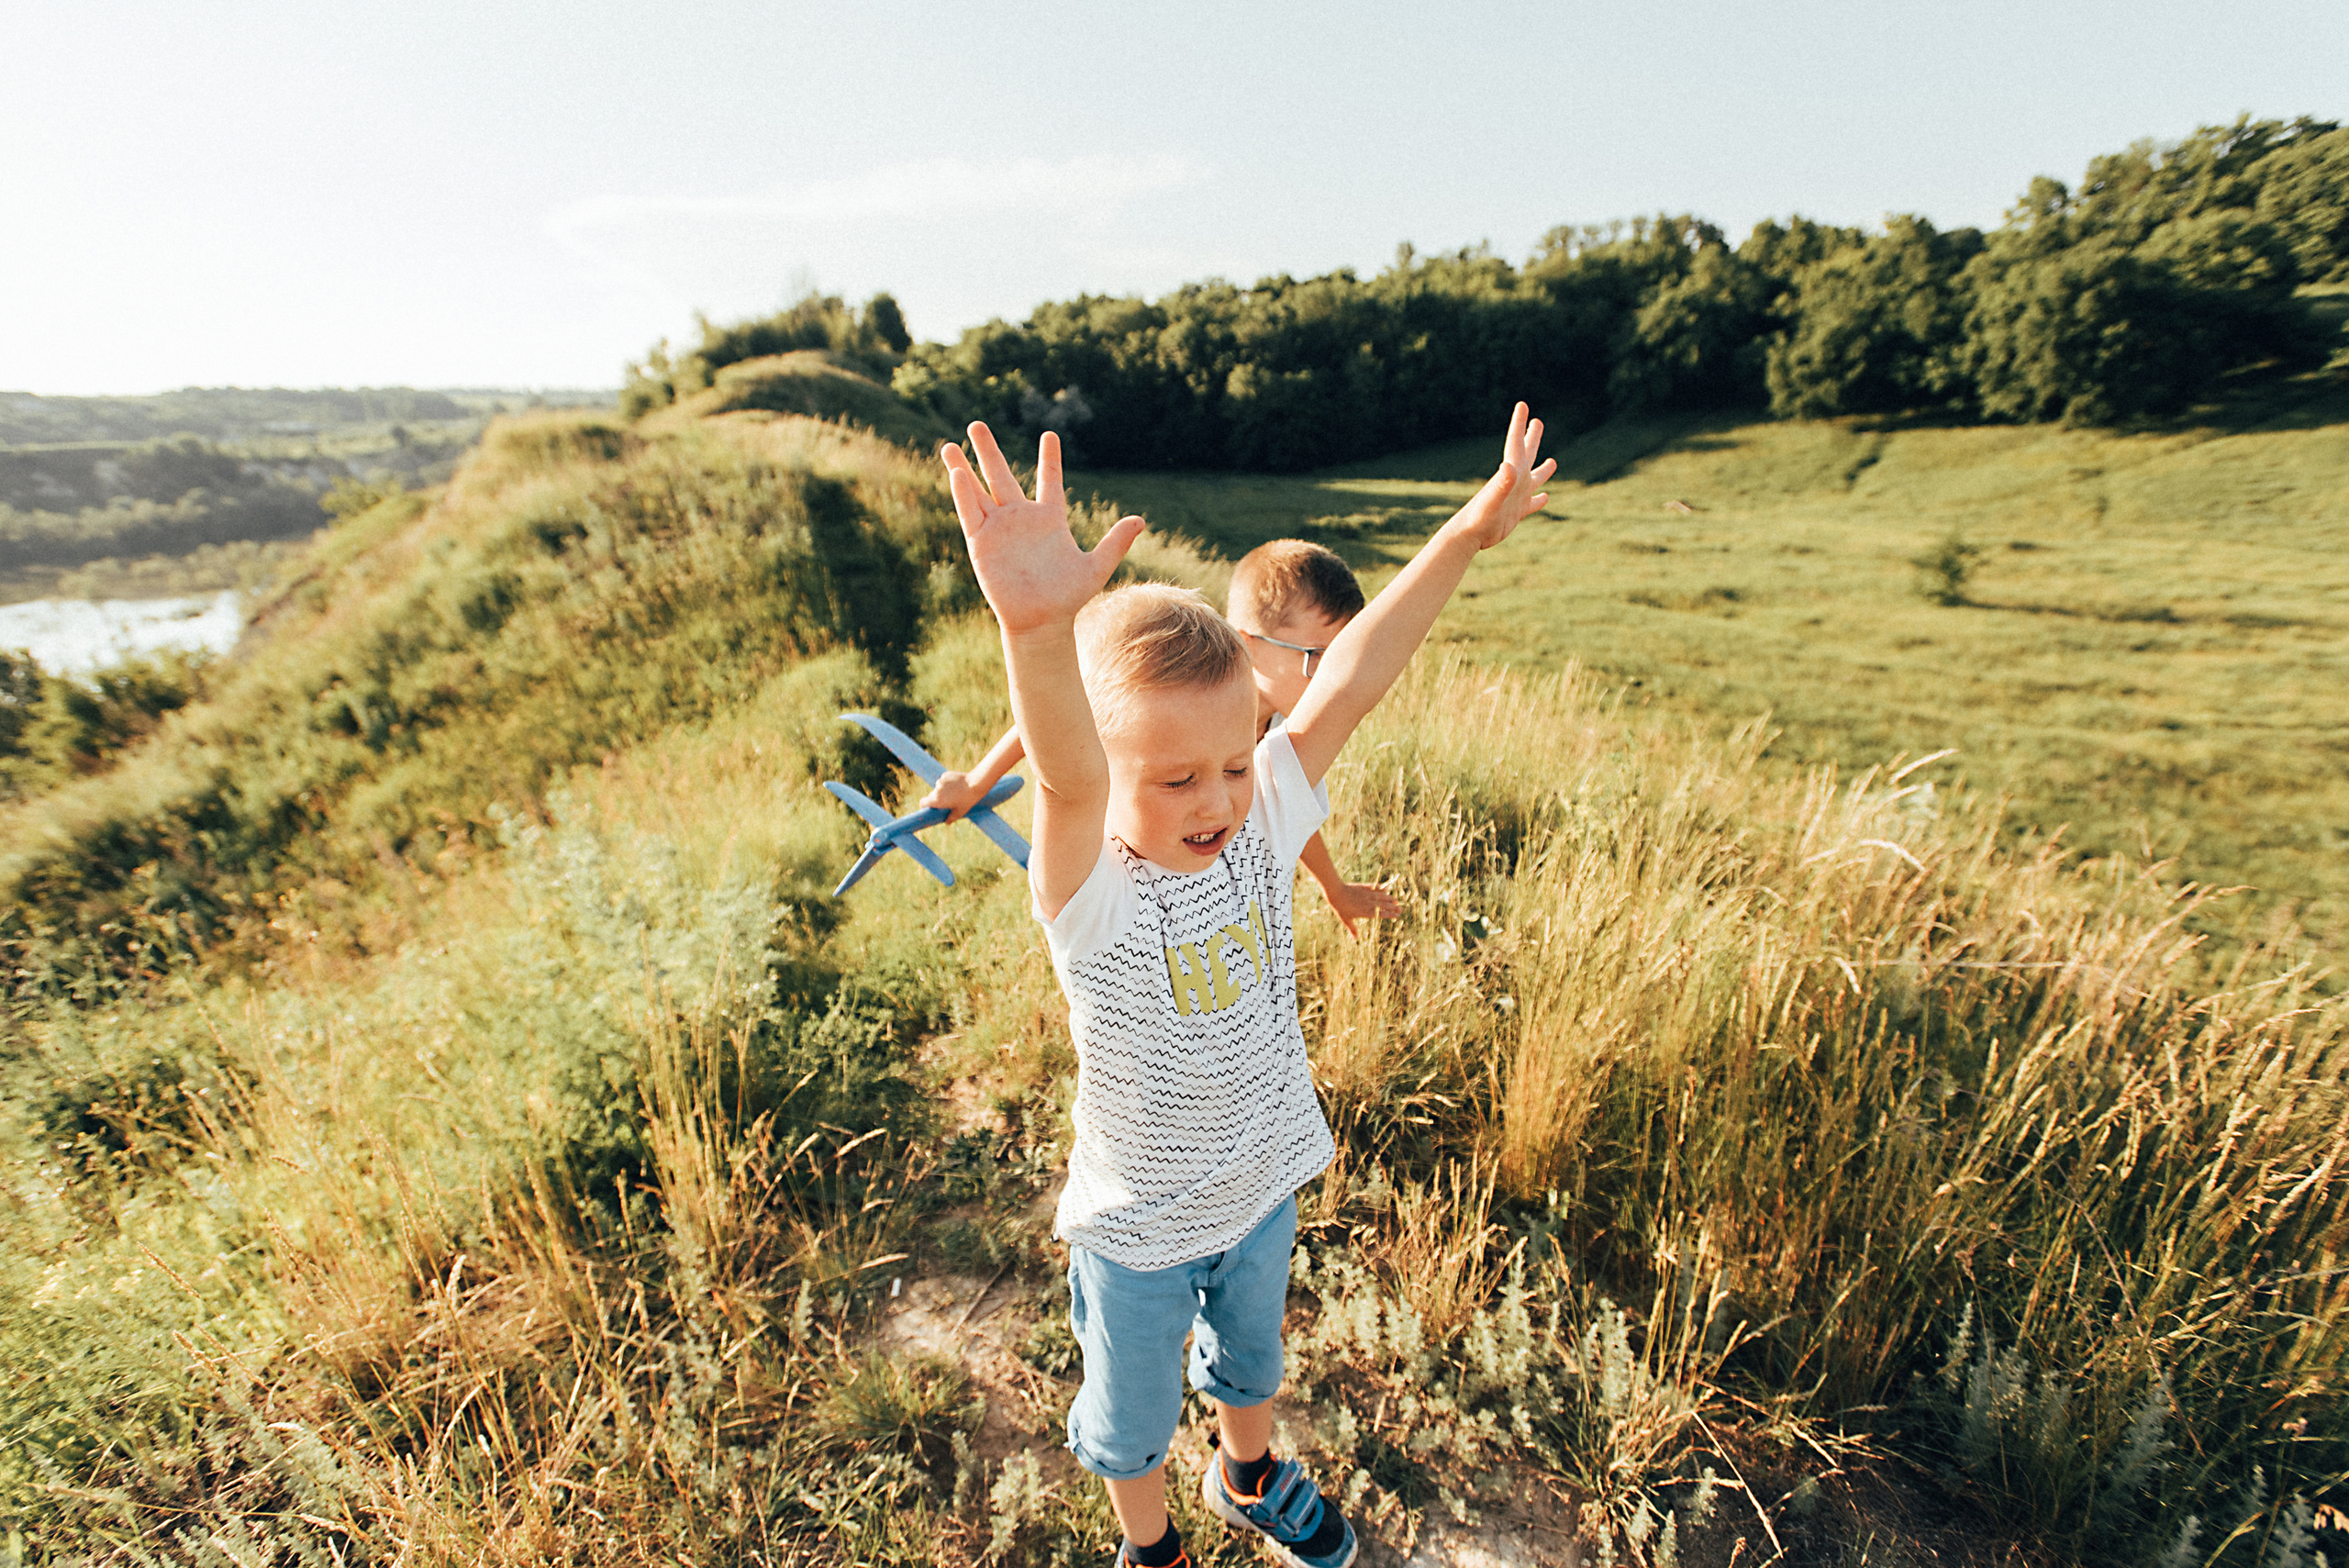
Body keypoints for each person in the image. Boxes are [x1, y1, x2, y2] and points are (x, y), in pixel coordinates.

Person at [940, 405, 1553, 1568]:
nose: (1217, 799)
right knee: (1128, 1424)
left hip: (1261, 1173)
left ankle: (1249, 1471)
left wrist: (1465, 535)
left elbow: (1354, 680)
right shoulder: (1090, 889)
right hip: (1139, 1227)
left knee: (1252, 1364)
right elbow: (1066, 776)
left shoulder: (1262, 814)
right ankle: (1151, 1544)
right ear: (1112, 779)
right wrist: (1033, 628)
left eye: (1230, 762)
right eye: (1174, 779)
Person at [921, 540, 1402, 933]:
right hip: (1118, 897)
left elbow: (1282, 811)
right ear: (1248, 644)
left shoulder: (1279, 727)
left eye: (1341, 656)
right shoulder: (1184, 693)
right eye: (1316, 655)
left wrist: (1333, 887)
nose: (1328, 676)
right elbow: (1058, 720)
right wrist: (977, 782)